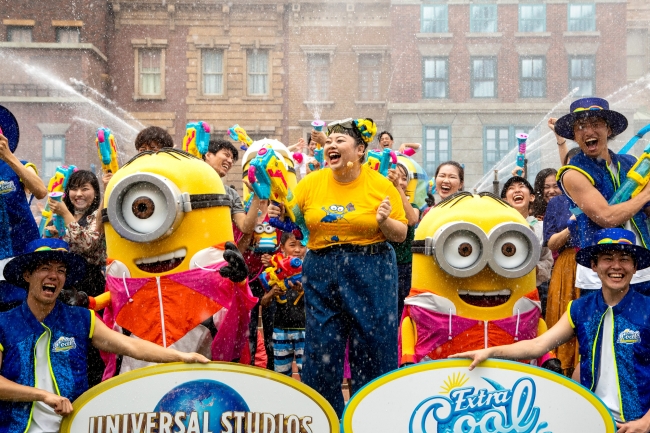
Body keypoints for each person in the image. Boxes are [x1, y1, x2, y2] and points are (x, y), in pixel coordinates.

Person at [269, 117, 407, 416]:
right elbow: (292, 222)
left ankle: (371, 416)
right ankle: (325, 417)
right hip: (322, 266)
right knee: (321, 349)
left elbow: (401, 234)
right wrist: (277, 209)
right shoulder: (311, 183)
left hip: (371, 265)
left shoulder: (379, 184)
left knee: (373, 346)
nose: (331, 145)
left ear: (360, 151)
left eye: (340, 141)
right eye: (328, 141)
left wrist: (384, 220)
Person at [0, 238, 209, 433]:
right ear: (27, 275)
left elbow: (131, 347)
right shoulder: (4, 323)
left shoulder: (82, 319)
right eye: (45, 268)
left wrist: (182, 357)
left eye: (61, 270)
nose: (54, 275)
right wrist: (43, 396)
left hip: (74, 426)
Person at [452, 228, 650, 431]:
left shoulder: (647, 309)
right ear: (594, 265)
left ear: (635, 267)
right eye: (608, 258)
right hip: (594, 418)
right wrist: (491, 351)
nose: (616, 266)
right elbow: (539, 345)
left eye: (625, 259)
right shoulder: (580, 309)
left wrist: (645, 422)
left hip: (638, 424)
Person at [555, 97, 650, 296]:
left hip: (641, 268)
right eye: (581, 126)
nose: (588, 131)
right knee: (601, 327)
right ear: (574, 134)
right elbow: (607, 217)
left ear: (609, 130)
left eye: (596, 124)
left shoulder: (630, 163)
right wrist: (646, 194)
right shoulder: (572, 173)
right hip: (599, 275)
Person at [47, 170, 107, 387]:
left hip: (89, 284)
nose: (78, 194)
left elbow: (87, 244)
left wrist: (64, 214)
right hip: (62, 282)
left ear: (95, 192)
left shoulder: (96, 216)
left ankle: (92, 387)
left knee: (89, 339)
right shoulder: (61, 215)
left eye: (85, 188)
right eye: (74, 188)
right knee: (63, 339)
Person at [0, 106, 47, 311]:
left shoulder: (20, 165)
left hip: (22, 251)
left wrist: (8, 157)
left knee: (24, 309)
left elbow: (40, 191)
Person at [543, 146, 582, 376]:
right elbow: (551, 243)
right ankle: (562, 368)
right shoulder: (557, 203)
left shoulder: (604, 195)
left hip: (599, 263)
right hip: (568, 265)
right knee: (564, 316)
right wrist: (573, 224)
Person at [501, 176, 553, 313]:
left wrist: (535, 269)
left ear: (532, 197)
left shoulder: (540, 227)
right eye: (511, 188)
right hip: (503, 290)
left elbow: (547, 261)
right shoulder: (498, 227)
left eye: (521, 187)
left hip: (534, 291)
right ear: (505, 200)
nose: (517, 190)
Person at [261, 232, 307, 378]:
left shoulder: (311, 271)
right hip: (280, 330)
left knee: (306, 375)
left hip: (305, 331)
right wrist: (271, 293)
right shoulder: (275, 272)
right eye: (292, 245)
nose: (297, 250)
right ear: (282, 248)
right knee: (281, 377)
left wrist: (304, 291)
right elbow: (263, 302)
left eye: (302, 245)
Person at [203, 139, 260, 236]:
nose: (230, 161)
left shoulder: (231, 194)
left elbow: (246, 228)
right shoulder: (189, 181)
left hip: (218, 249)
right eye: (226, 155)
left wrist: (257, 194)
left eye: (232, 159)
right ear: (208, 155)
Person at [387, 163, 420, 319]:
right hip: (383, 265)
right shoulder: (382, 205)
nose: (400, 181)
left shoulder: (412, 206)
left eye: (404, 178)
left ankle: (401, 342)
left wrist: (397, 189)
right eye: (395, 176)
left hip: (405, 267)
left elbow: (412, 219)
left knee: (403, 313)